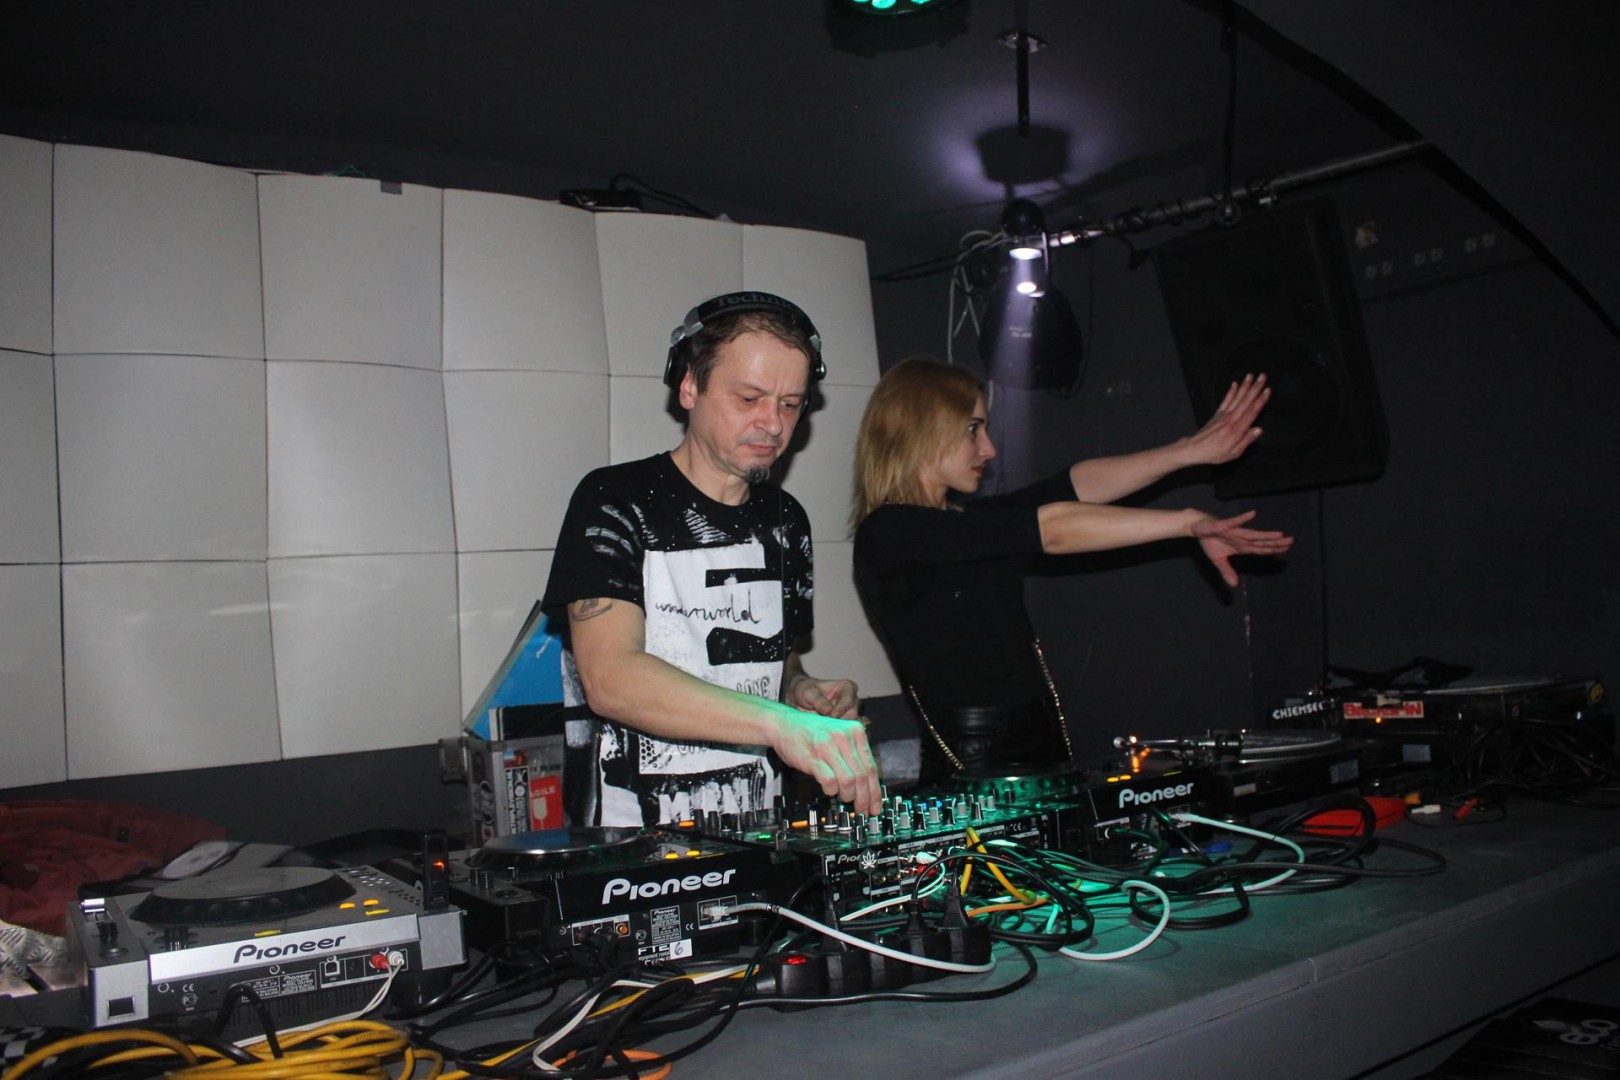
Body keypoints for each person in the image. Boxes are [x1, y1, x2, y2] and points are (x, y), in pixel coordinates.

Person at [850, 357, 1293, 781]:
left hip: (1040, 741)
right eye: (973, 429)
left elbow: (1074, 487)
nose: (989, 448)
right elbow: (1053, 528)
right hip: (970, 765)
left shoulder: (967, 523)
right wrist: (1187, 523)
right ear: (924, 429)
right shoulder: (889, 532)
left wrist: (1189, 451)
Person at [542, 291, 883, 828]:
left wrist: (798, 692)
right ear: (689, 386)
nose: (773, 424)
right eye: (749, 398)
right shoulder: (614, 501)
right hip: (629, 842)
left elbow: (776, 659)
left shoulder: (786, 521)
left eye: (790, 404)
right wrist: (778, 724)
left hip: (759, 828)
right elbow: (610, 679)